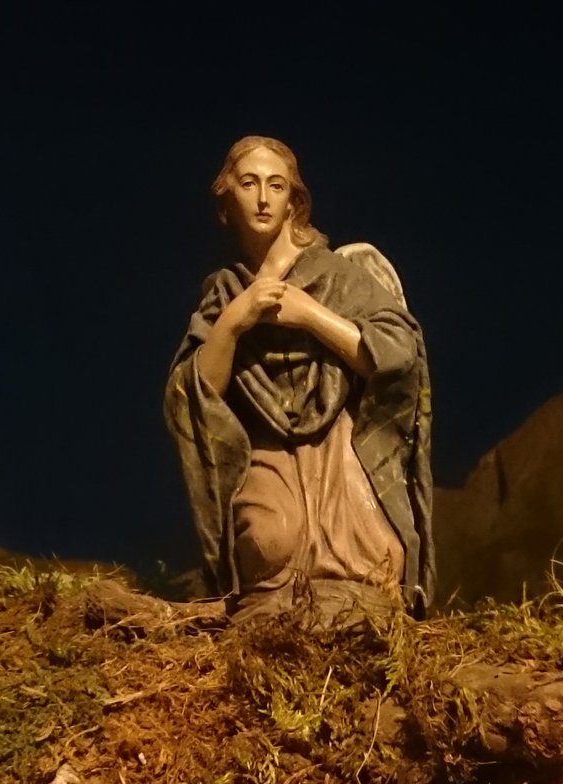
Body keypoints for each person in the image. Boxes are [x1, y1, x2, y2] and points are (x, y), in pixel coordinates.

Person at [166, 135, 434, 621]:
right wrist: (235, 321)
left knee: (377, 556)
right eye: (249, 184)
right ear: (228, 197)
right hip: (267, 451)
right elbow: (193, 395)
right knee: (270, 543)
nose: (263, 198)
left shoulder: (337, 275)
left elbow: (399, 352)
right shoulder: (226, 293)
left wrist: (310, 314)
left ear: (294, 199)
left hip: (340, 445)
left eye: (276, 185)